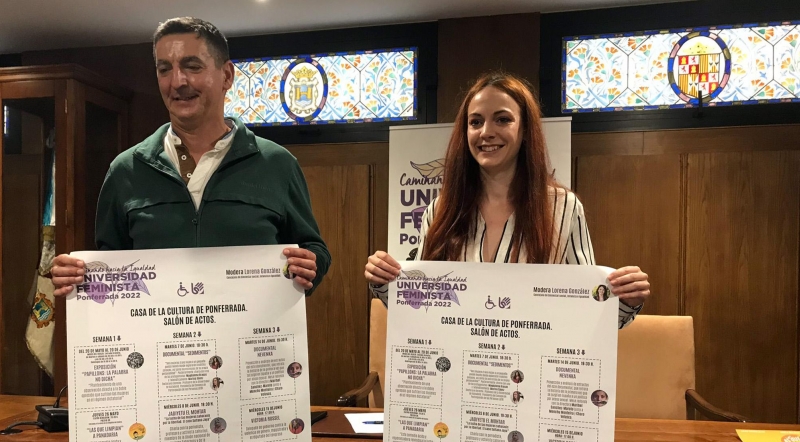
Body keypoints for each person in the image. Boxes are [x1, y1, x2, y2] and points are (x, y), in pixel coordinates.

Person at [50, 17, 330, 296]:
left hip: (249, 338)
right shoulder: (126, 170)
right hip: (158, 339)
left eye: (192, 67)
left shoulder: (277, 164)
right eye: (164, 69)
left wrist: (310, 264)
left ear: (227, 76)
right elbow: (109, 271)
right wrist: (79, 277)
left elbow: (314, 249)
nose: (177, 82)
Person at [364, 72, 649, 328]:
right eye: (475, 122)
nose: (486, 131)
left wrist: (627, 299)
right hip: (457, 376)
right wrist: (383, 281)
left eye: (502, 119)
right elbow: (421, 307)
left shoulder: (563, 208)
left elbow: (586, 307)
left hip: (531, 378)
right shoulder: (440, 210)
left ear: (525, 131)